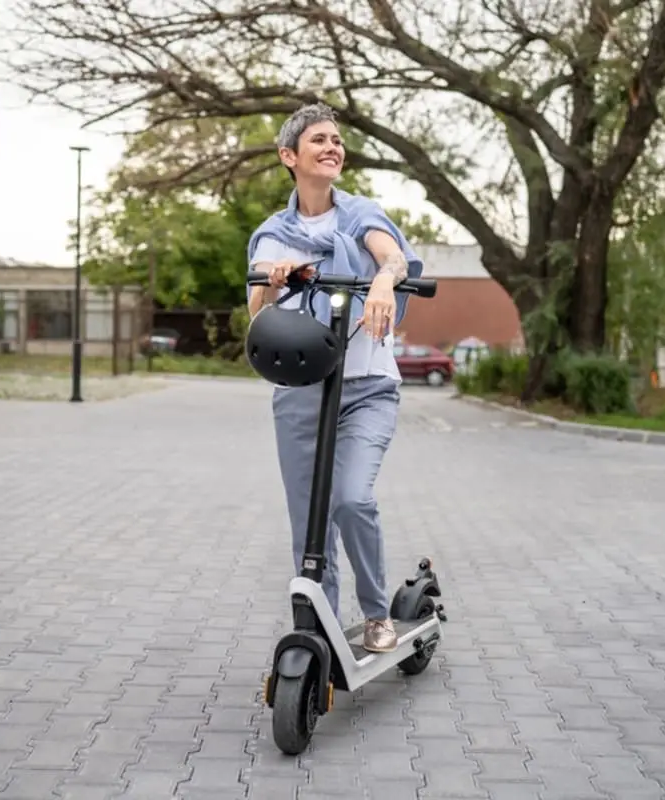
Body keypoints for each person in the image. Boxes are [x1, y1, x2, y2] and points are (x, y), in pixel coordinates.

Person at [245, 102, 424, 653]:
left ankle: (375, 612)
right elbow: (256, 313)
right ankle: (318, 624)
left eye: (337, 140)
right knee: (308, 521)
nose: (332, 147)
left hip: (367, 386)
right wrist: (273, 283)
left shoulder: (360, 214)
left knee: (350, 499)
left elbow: (392, 258)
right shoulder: (274, 234)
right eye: (319, 140)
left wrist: (383, 282)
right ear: (289, 156)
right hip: (301, 390)